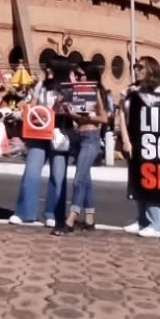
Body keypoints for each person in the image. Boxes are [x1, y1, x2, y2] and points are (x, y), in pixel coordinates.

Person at [8, 57, 75, 229]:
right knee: (31, 171)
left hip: (59, 132)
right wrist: (27, 112)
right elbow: (33, 104)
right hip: (39, 131)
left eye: (51, 68)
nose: (48, 71)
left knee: (58, 175)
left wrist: (66, 106)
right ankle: (24, 212)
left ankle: (53, 213)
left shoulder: (69, 87)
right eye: (47, 67)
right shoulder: (41, 85)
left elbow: (75, 111)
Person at [54, 62, 109, 234]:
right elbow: (76, 118)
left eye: (80, 75)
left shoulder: (96, 91)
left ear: (89, 75)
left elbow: (104, 118)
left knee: (78, 179)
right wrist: (67, 110)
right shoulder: (79, 92)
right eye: (76, 75)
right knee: (85, 180)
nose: (77, 78)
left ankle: (71, 219)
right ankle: (90, 219)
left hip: (92, 138)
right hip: (79, 136)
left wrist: (84, 118)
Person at [120, 56, 160, 238]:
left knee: (151, 181)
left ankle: (156, 224)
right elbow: (122, 114)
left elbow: (157, 111)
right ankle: (142, 219)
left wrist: (136, 95)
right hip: (134, 140)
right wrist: (125, 139)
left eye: (141, 67)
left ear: (151, 70)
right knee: (137, 182)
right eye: (135, 66)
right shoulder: (132, 90)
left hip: (153, 141)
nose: (137, 70)